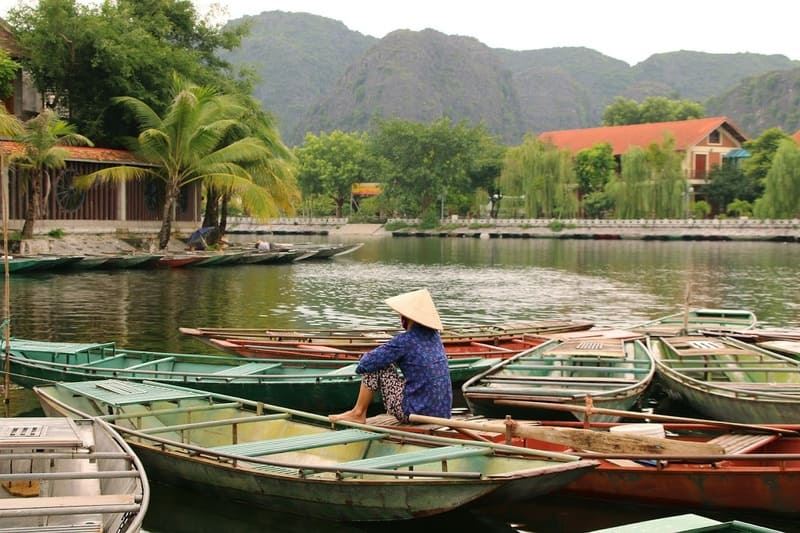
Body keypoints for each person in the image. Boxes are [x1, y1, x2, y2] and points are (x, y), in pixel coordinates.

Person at [329, 288, 452, 424]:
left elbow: (364, 364)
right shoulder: (435, 337)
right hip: (442, 413)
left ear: (406, 318)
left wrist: (387, 359)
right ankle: (359, 412)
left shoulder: (406, 340)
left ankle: (358, 413)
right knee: (383, 362)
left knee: (375, 364)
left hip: (416, 412)